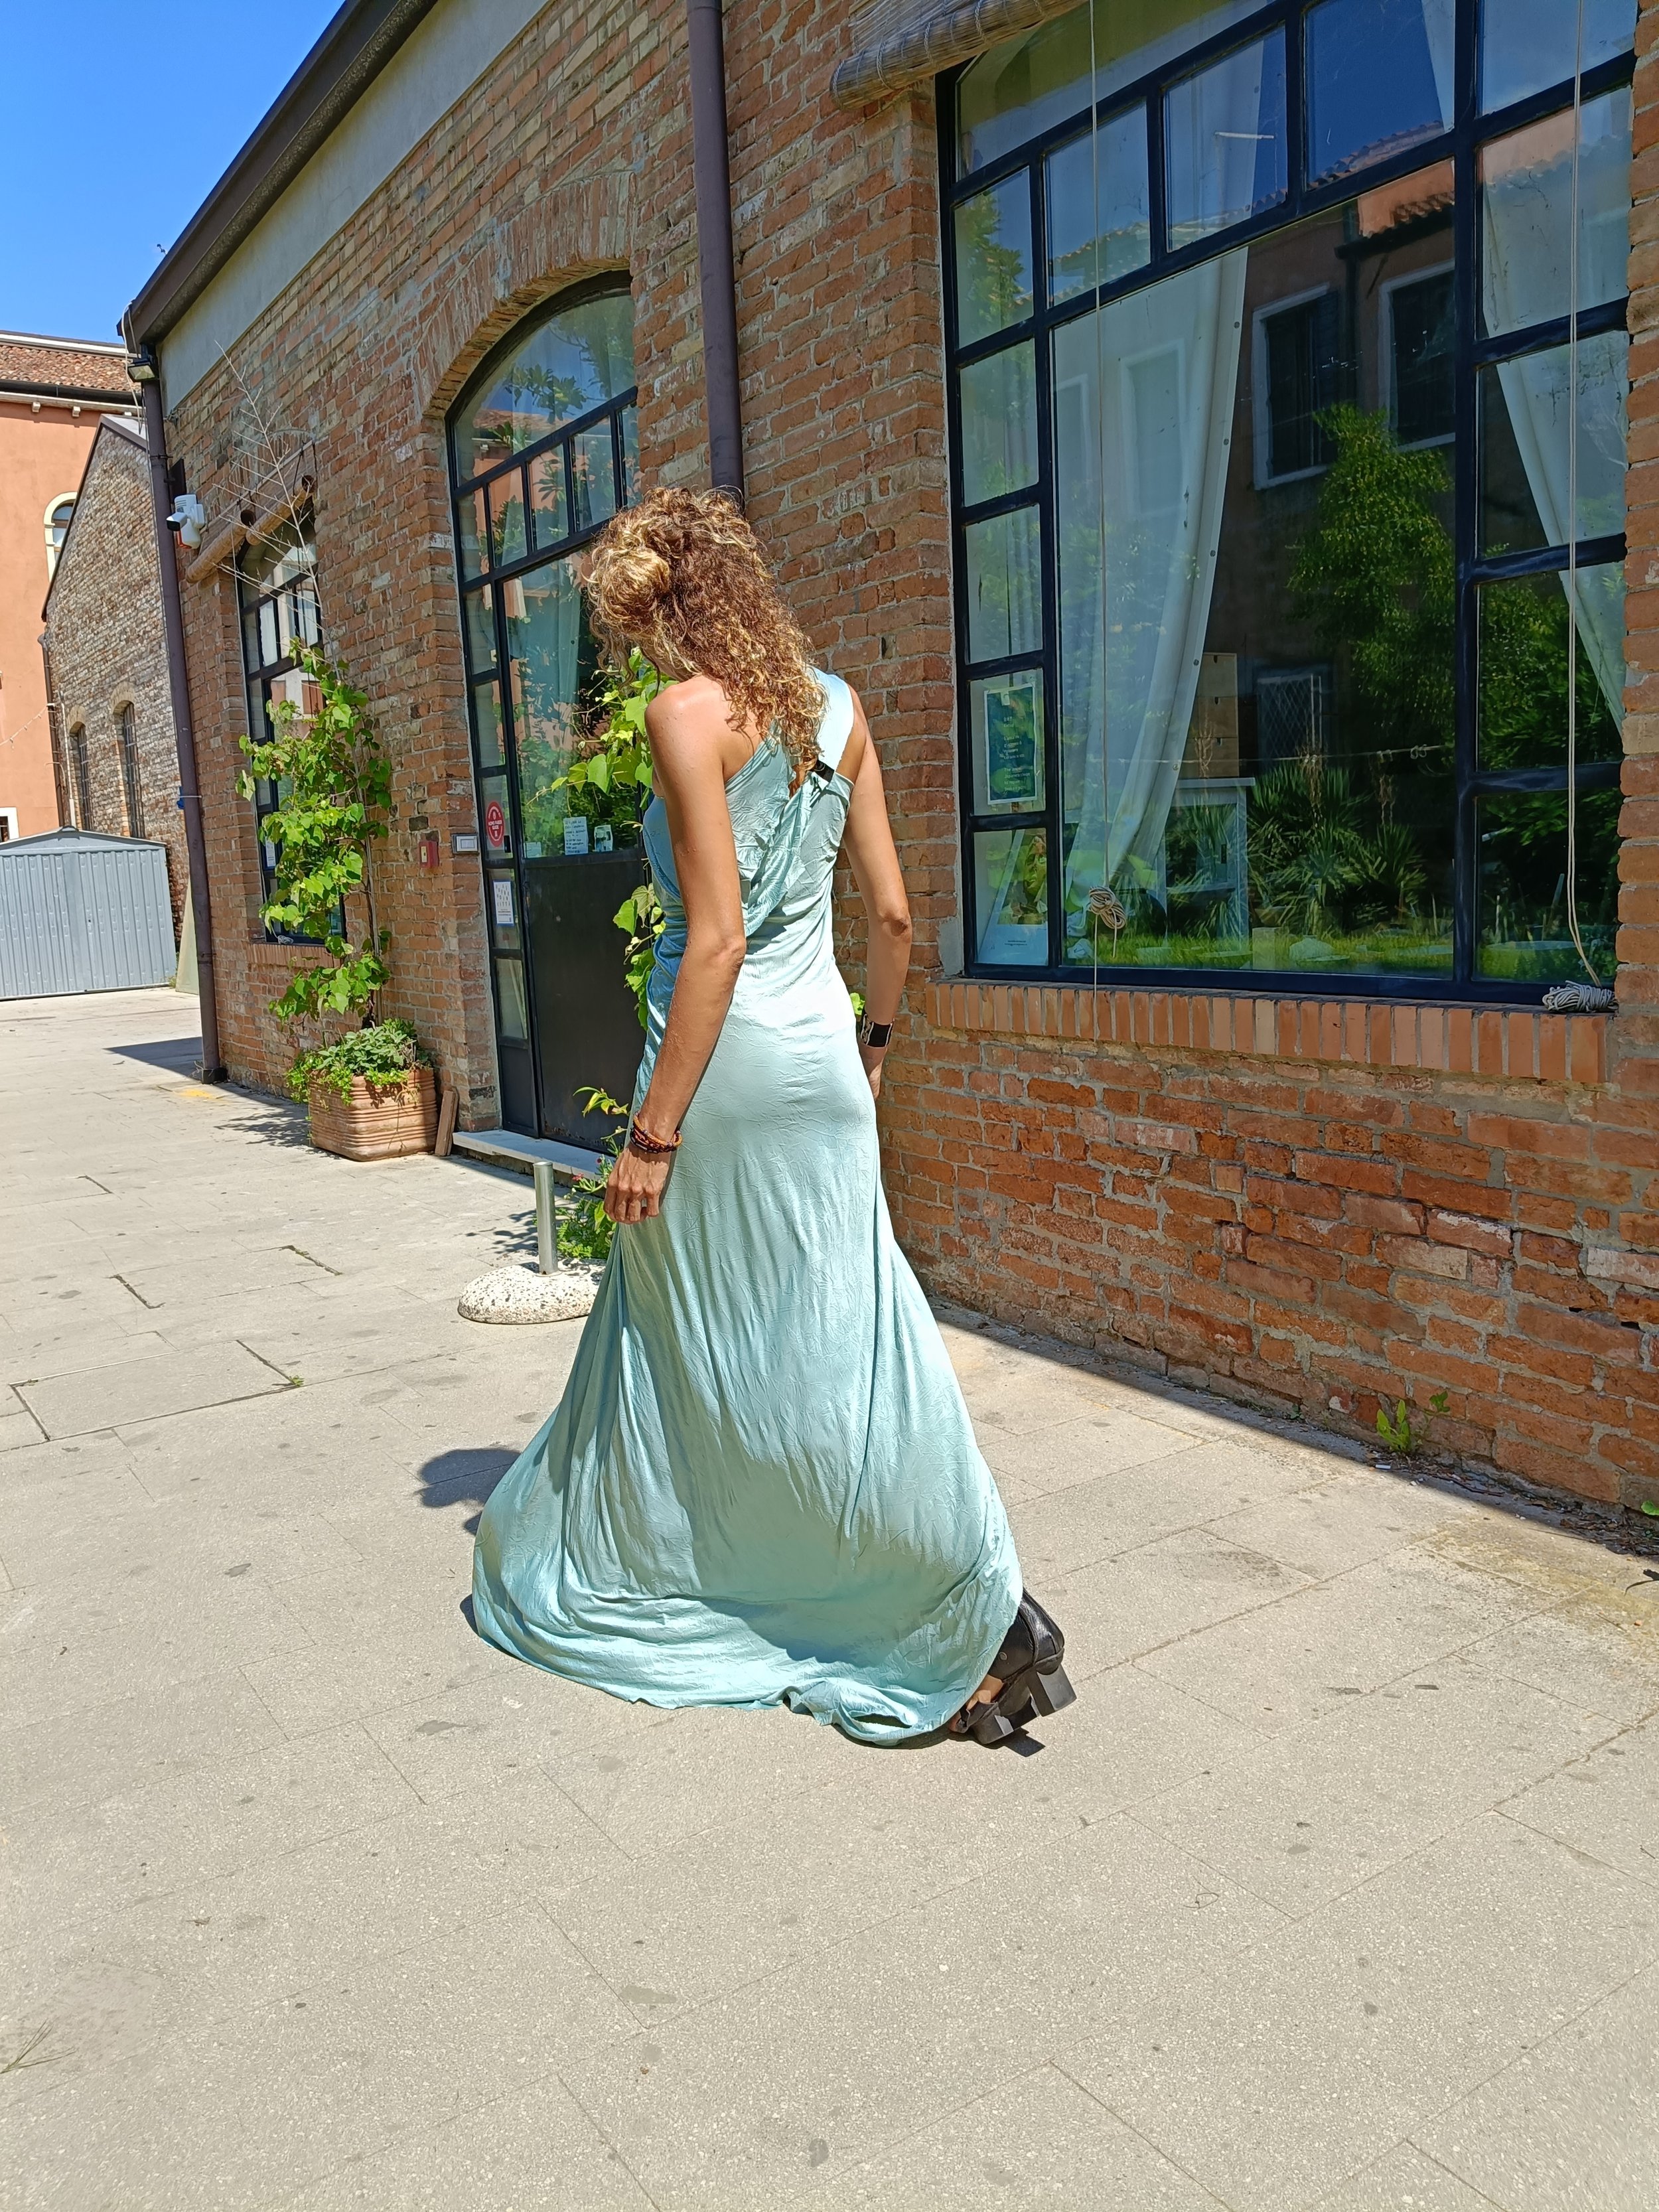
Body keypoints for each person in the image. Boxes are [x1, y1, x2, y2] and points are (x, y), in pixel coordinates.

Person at [470, 486, 1074, 1746]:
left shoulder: (684, 716)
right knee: (856, 1342)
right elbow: (895, 919)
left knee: (693, 1342)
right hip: (826, 1073)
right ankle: (976, 1595)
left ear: (665, 613)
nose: (633, 653)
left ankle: (755, 1571)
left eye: (632, 627)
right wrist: (873, 1052)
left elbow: (717, 942)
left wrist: (651, 1136)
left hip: (722, 1079)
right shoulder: (838, 709)